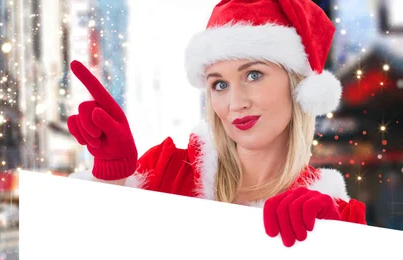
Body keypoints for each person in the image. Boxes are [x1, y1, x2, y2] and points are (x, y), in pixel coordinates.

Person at [67, 0, 367, 247]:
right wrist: (111, 178)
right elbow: (89, 259)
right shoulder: (166, 172)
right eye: (220, 85)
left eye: (253, 74)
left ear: (298, 84)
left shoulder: (339, 214)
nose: (236, 103)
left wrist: (332, 243)